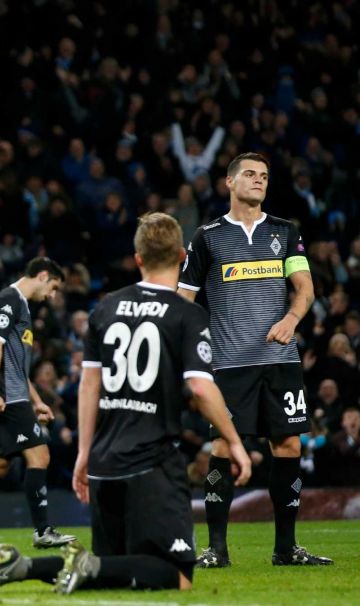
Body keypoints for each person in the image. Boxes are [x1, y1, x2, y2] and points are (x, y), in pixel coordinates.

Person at [0, 213, 252, 595]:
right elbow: (200, 388)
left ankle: (23, 565)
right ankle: (59, 556)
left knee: (110, 574)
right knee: (177, 576)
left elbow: (88, 386)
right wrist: (235, 442)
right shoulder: (187, 314)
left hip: (104, 462)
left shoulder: (106, 308)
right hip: (152, 462)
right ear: (182, 257)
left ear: (138, 258)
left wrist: (84, 454)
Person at [178, 153, 332, 567]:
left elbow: (304, 289)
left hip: (280, 360)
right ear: (229, 182)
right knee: (225, 446)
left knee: (288, 444)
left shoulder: (286, 231)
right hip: (229, 363)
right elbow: (184, 300)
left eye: (264, 176)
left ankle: (286, 549)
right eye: (249, 174)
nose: (259, 180)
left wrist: (292, 318)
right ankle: (216, 550)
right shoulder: (207, 236)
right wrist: (194, 349)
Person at [0, 257, 76, 551]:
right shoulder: (9, 299)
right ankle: (42, 531)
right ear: (42, 275)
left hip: (13, 394)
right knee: (39, 456)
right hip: (6, 397)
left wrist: (38, 401)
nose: (52, 296)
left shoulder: (22, 306)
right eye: (52, 287)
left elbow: (17, 366)